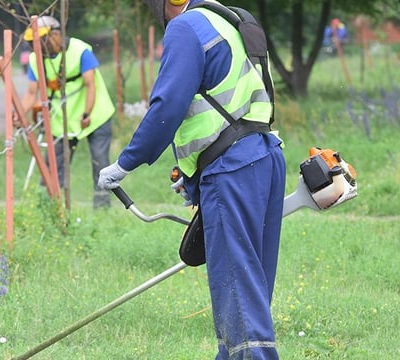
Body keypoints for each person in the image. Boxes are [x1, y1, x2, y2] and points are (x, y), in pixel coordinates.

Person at [97, 0, 286, 359]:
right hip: (264, 158)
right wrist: (195, 176)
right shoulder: (232, 19)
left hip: (233, 171)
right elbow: (230, 108)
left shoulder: (185, 28)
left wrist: (124, 164)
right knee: (248, 292)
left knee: (240, 296)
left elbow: (168, 107)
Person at [19, 16, 116, 208]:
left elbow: (91, 85)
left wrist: (87, 114)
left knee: (100, 163)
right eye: (32, 43)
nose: (37, 47)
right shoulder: (34, 60)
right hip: (62, 120)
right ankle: (48, 207)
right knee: (54, 165)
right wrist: (19, 115)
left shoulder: (80, 50)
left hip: (95, 116)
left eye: (41, 41)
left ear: (55, 35)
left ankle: (102, 209)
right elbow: (31, 92)